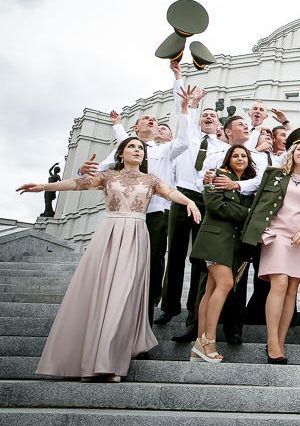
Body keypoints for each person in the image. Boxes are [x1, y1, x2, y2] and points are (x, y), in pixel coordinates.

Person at [19, 136, 201, 381]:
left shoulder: (151, 180)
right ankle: (92, 361)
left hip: (137, 234)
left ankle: (109, 362)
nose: (137, 150)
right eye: (132, 147)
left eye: (141, 148)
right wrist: (43, 187)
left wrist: (190, 201)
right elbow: (77, 183)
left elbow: (170, 192)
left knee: (123, 295)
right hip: (110, 233)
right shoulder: (107, 176)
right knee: (101, 292)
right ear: (120, 153)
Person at [79, 61, 193, 325]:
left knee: (153, 262)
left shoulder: (164, 150)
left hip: (155, 214)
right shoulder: (127, 149)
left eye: (156, 120)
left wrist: (179, 83)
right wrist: (84, 169)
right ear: (135, 129)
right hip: (123, 216)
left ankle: (148, 308)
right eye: (146, 118)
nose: (152, 120)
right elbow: (99, 172)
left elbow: (185, 140)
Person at [241, 127, 300, 364]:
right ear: (292, 152)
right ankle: (272, 342)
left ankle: (280, 339)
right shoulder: (273, 174)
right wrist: (256, 229)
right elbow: (258, 202)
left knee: (292, 291)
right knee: (278, 285)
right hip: (276, 236)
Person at [159, 102, 229, 328]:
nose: (208, 117)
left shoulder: (224, 148)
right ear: (199, 121)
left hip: (206, 197)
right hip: (182, 195)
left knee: (201, 256)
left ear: (218, 124)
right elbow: (183, 116)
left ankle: (194, 308)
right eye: (204, 115)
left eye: (212, 116)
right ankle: (169, 306)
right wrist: (192, 103)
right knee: (176, 252)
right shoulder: (189, 138)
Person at [188, 144, 257, 363]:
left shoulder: (247, 185)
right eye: (235, 155)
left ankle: (199, 344)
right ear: (227, 160)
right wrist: (247, 213)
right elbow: (216, 205)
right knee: (225, 284)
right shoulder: (218, 176)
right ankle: (209, 342)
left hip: (231, 245)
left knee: (210, 291)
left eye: (243, 156)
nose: (240, 158)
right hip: (214, 240)